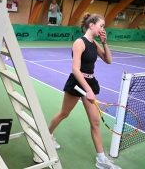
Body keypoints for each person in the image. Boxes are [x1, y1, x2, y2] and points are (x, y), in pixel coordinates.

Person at [48, 13, 121, 169]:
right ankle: (47, 136)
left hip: (90, 82)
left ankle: (101, 160)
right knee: (64, 113)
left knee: (95, 122)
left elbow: (108, 60)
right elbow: (75, 69)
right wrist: (87, 90)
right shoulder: (79, 43)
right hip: (77, 82)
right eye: (102, 25)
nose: (103, 28)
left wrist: (105, 43)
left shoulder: (94, 43)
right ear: (91, 25)